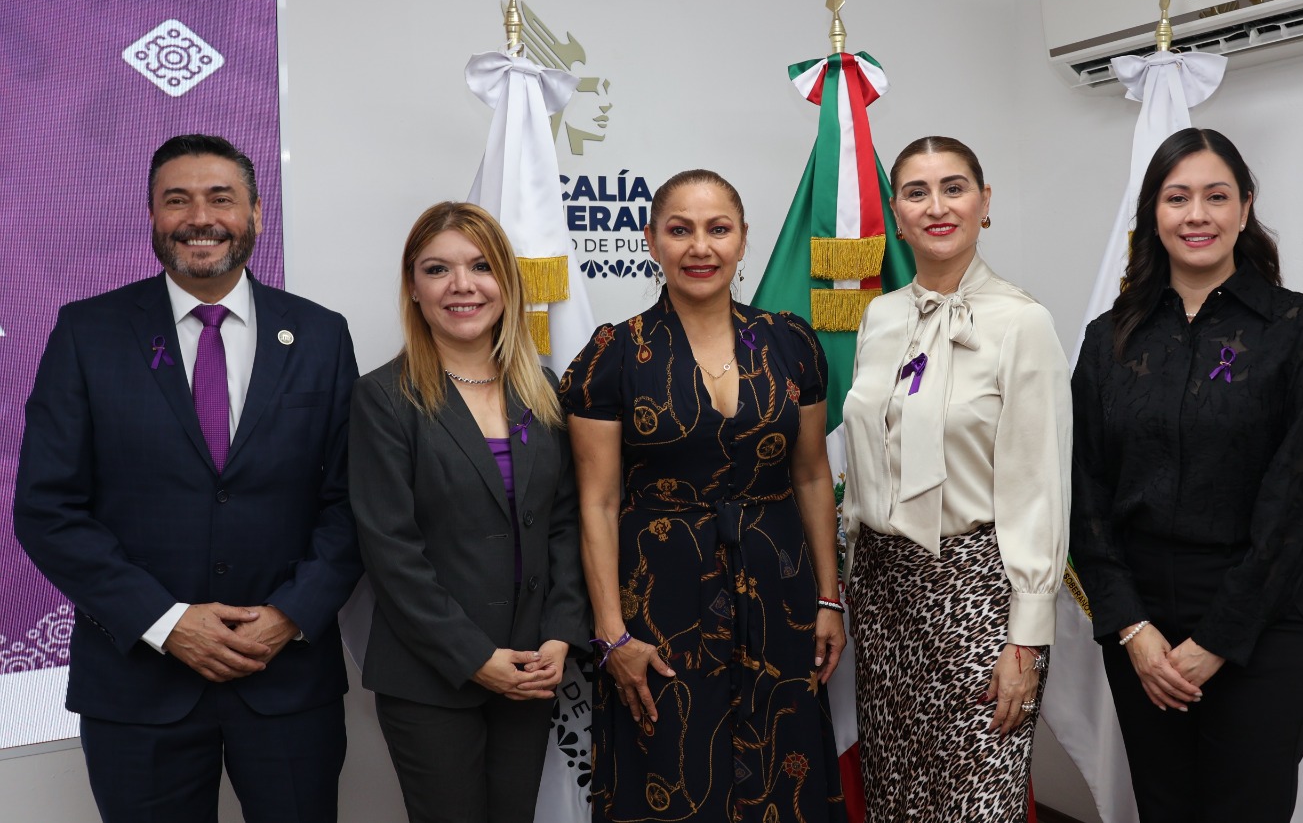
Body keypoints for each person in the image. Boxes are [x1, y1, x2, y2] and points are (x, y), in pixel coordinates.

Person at [12, 134, 362, 822]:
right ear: (152, 216)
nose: (200, 217)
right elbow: (47, 507)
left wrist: (290, 615)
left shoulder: (320, 336)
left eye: (220, 198)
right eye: (178, 200)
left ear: (257, 214)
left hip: (285, 678)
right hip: (138, 684)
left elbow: (353, 498)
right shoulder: (88, 333)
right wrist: (166, 623)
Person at [1071, 128, 1303, 822]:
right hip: (1143, 627)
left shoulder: (1301, 329)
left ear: (1245, 206)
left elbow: (1299, 500)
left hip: (1261, 621)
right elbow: (1082, 493)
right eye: (1177, 197)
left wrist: (1219, 638)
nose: (1197, 214)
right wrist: (1130, 627)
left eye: (1216, 196)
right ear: (1153, 213)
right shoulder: (1108, 341)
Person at [560, 170, 847, 822]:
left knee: (785, 776)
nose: (701, 247)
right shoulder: (613, 352)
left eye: (718, 229)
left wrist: (829, 597)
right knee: (671, 772)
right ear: (651, 240)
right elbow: (597, 504)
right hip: (660, 603)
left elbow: (810, 476)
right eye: (680, 229)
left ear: (743, 240)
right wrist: (610, 634)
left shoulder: (790, 343)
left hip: (781, 597)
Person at [840, 136, 1072, 821]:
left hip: (977, 595)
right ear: (896, 213)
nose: (937, 206)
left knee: (977, 801)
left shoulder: (1022, 322)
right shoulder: (879, 318)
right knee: (896, 798)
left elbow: (1040, 487)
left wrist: (1025, 637)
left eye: (954, 187)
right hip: (883, 594)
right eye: (917, 192)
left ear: (985, 202)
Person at [348, 201, 588, 822]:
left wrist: (560, 634)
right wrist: (476, 660)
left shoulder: (542, 388)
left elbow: (563, 524)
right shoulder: (383, 397)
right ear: (413, 286)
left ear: (507, 283)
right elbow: (391, 553)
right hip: (433, 676)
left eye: (481, 266)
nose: (462, 286)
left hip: (531, 669)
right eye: (438, 270)